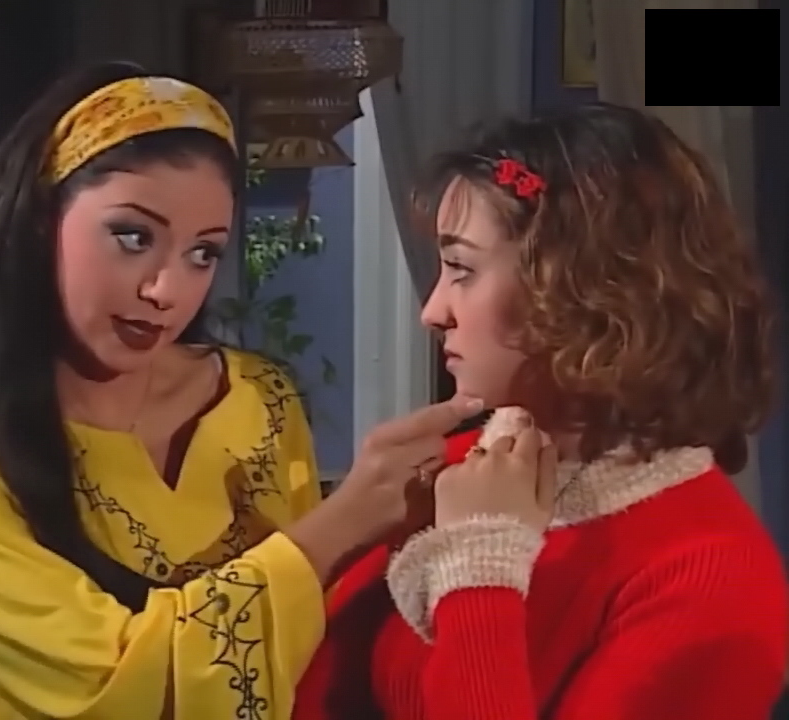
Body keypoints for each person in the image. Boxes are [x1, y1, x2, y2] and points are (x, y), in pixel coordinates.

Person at [0, 61, 482, 720]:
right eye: (133, 236)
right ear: (39, 219)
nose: (166, 290)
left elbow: (308, 651)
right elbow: (105, 688)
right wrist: (342, 522)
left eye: (203, 253)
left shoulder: (258, 398)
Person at [294, 103, 788, 720]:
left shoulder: (712, 577)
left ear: (585, 287)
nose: (432, 311)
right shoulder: (456, 472)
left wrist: (480, 569)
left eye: (461, 269)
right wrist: (345, 525)